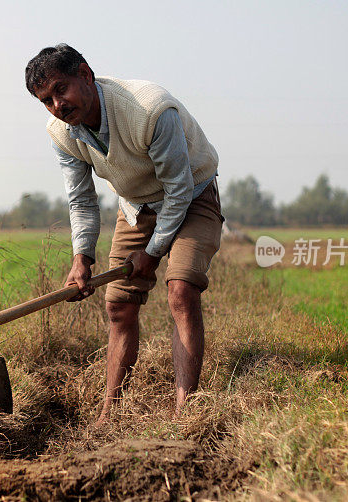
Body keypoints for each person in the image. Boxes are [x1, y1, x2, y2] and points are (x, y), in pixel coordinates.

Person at [25, 44, 224, 421]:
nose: (57, 105)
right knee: (119, 306)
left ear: (85, 74)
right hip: (136, 205)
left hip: (192, 194)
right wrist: (81, 259)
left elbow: (178, 190)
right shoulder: (62, 133)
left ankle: (183, 415)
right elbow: (82, 201)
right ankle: (108, 415)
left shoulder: (149, 110)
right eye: (46, 100)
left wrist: (151, 254)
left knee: (180, 290)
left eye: (60, 90)